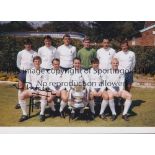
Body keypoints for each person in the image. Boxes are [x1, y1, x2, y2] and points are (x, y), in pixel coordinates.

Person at [18, 56, 49, 122]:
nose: (37, 63)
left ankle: (42, 114)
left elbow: (46, 82)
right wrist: (32, 90)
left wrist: (39, 90)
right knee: (21, 96)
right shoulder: (29, 71)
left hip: (41, 90)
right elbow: (28, 82)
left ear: (41, 62)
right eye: (35, 61)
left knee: (44, 95)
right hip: (32, 90)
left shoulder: (44, 71)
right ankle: (25, 114)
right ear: (33, 62)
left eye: (38, 61)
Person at [16, 39, 37, 109]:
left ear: (31, 44)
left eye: (29, 44)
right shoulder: (20, 53)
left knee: (33, 87)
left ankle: (34, 103)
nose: (28, 45)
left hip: (32, 73)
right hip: (23, 72)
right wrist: (22, 69)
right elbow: (18, 63)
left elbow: (36, 63)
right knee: (21, 88)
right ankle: (19, 102)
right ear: (24, 45)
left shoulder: (35, 53)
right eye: (26, 44)